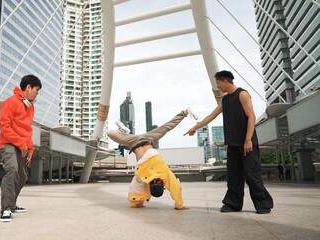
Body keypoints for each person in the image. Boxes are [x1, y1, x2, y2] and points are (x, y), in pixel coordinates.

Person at [184, 70, 273, 214]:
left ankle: (263, 205)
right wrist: (195, 127)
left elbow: (251, 117)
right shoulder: (225, 100)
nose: (218, 86)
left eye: (218, 83)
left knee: (252, 175)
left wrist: (248, 139)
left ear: (225, 81)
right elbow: (212, 115)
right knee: (234, 177)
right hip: (232, 144)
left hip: (247, 144)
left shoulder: (242, 94)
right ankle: (232, 204)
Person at [108, 108, 197, 209]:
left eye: (155, 184)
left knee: (110, 133)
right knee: (167, 127)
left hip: (133, 142)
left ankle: (123, 131)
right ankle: (184, 112)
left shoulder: (142, 177)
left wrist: (137, 204)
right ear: (162, 185)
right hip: (148, 139)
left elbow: (136, 190)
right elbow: (176, 188)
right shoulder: (164, 173)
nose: (157, 181)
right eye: (158, 183)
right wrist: (179, 206)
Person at [0, 74, 42, 222]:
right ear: (28, 87)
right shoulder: (10, 102)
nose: (37, 93)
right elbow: (5, 127)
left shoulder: (30, 107)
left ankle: (13, 203)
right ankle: (6, 208)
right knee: (13, 170)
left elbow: (27, 130)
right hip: (8, 143)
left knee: (22, 176)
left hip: (22, 146)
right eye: (36, 90)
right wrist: (21, 144)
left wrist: (30, 149)